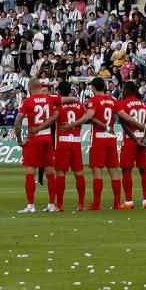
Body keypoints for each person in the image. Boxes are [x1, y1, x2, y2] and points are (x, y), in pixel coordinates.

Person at [14, 78, 59, 213]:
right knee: (50, 172)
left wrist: (19, 139)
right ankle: (52, 204)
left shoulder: (28, 101)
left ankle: (31, 205)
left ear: (29, 88)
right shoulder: (49, 99)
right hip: (47, 138)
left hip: (34, 138)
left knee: (30, 171)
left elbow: (18, 121)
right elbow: (65, 101)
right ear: (40, 87)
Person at [80, 77, 123, 211]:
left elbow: (89, 116)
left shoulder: (93, 100)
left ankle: (96, 204)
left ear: (93, 88)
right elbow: (123, 115)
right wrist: (137, 124)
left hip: (98, 138)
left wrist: (74, 123)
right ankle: (116, 203)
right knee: (114, 171)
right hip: (111, 137)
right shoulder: (112, 100)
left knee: (97, 171)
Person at [116, 80, 146, 209]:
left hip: (130, 140)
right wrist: (144, 138)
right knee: (144, 170)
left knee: (127, 170)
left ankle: (129, 201)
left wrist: (134, 138)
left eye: (123, 89)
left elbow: (124, 124)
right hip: (141, 141)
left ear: (127, 90)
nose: (122, 92)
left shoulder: (123, 104)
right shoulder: (143, 104)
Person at [53, 81, 88, 211]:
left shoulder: (58, 105)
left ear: (60, 92)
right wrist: (77, 125)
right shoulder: (79, 104)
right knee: (78, 172)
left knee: (61, 173)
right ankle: (81, 204)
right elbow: (86, 117)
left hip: (62, 141)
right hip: (76, 141)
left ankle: (60, 204)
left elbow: (53, 118)